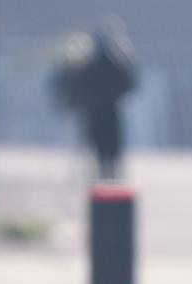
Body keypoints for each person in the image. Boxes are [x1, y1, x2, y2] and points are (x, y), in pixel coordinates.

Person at [50, 17, 137, 180]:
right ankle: (108, 172)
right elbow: (129, 82)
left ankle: (105, 172)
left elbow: (81, 84)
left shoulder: (94, 62)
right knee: (109, 143)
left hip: (100, 108)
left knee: (101, 142)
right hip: (109, 108)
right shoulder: (118, 61)